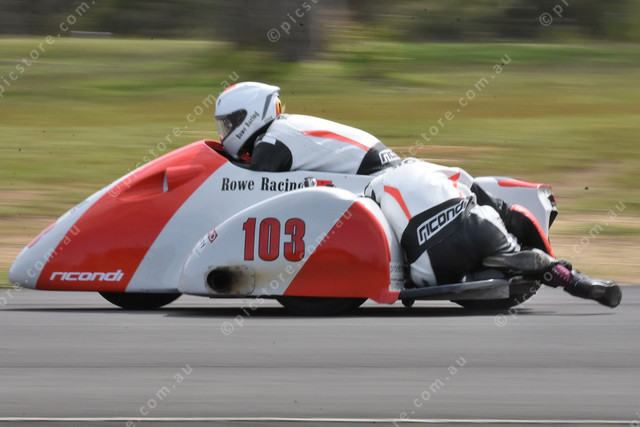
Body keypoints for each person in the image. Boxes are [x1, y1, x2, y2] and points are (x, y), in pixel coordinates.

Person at [364, 158, 622, 308]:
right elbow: (485, 197)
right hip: (473, 224)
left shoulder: (372, 187)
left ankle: (476, 275)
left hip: (428, 265)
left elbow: (378, 234)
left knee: (460, 269)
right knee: (509, 213)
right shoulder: (432, 167)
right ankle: (559, 270)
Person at [214, 81, 401, 174]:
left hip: (376, 174)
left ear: (247, 116)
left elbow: (249, 187)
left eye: (228, 124)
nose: (226, 131)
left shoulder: (270, 143)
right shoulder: (282, 128)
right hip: (382, 162)